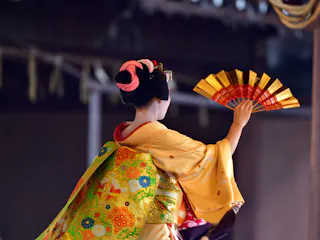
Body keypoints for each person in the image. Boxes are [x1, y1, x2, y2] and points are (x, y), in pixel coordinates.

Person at [36, 59, 252, 240]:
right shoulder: (161, 138)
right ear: (160, 98)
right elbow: (213, 159)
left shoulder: (124, 135)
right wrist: (238, 125)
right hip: (157, 232)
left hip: (134, 230)